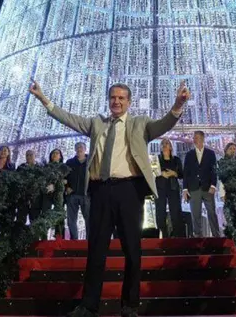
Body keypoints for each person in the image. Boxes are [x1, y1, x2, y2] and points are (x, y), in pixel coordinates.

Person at [28, 79, 189, 317]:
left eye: (121, 98)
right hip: (100, 190)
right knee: (96, 248)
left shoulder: (140, 123)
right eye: (113, 97)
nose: (117, 101)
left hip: (129, 191)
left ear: (129, 102)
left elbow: (164, 124)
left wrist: (178, 104)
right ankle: (89, 305)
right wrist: (43, 98)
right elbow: (69, 118)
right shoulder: (97, 123)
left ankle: (130, 305)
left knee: (132, 249)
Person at [182, 131, 220, 238]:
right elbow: (186, 172)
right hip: (193, 188)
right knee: (195, 214)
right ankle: (198, 236)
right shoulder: (189, 155)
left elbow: (214, 171)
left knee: (211, 212)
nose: (194, 139)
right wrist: (185, 189)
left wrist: (213, 185)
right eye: (194, 137)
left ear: (203, 139)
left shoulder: (210, 153)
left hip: (207, 187)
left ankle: (216, 235)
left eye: (197, 137)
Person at [155, 138, 183, 238]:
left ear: (171, 146)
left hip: (173, 188)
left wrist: (174, 173)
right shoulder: (156, 159)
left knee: (175, 212)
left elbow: (181, 174)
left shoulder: (176, 160)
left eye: (167, 143)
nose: (164, 145)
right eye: (162, 143)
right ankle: (163, 235)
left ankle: (177, 236)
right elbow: (152, 171)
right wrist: (161, 173)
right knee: (160, 212)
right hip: (160, 187)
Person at [65, 142, 90, 240]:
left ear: (85, 149)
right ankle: (74, 240)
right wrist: (67, 187)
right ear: (75, 149)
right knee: (71, 220)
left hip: (86, 195)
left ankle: (89, 241)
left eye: (81, 147)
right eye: (77, 147)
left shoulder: (90, 161)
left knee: (89, 219)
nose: (79, 149)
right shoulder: (70, 162)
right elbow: (64, 176)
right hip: (72, 195)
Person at [43, 148, 66, 239]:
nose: (55, 154)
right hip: (47, 193)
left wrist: (58, 184)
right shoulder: (46, 167)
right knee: (45, 212)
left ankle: (59, 235)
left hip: (59, 193)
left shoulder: (64, 167)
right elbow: (42, 179)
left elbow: (66, 180)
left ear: (60, 156)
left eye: (57, 153)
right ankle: (44, 235)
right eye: (53, 153)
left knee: (59, 212)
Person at [17, 150, 42, 225]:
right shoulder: (21, 167)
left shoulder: (40, 167)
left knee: (35, 221)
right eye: (27, 155)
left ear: (35, 156)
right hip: (23, 198)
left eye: (31, 155)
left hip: (36, 199)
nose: (28, 157)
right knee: (20, 220)